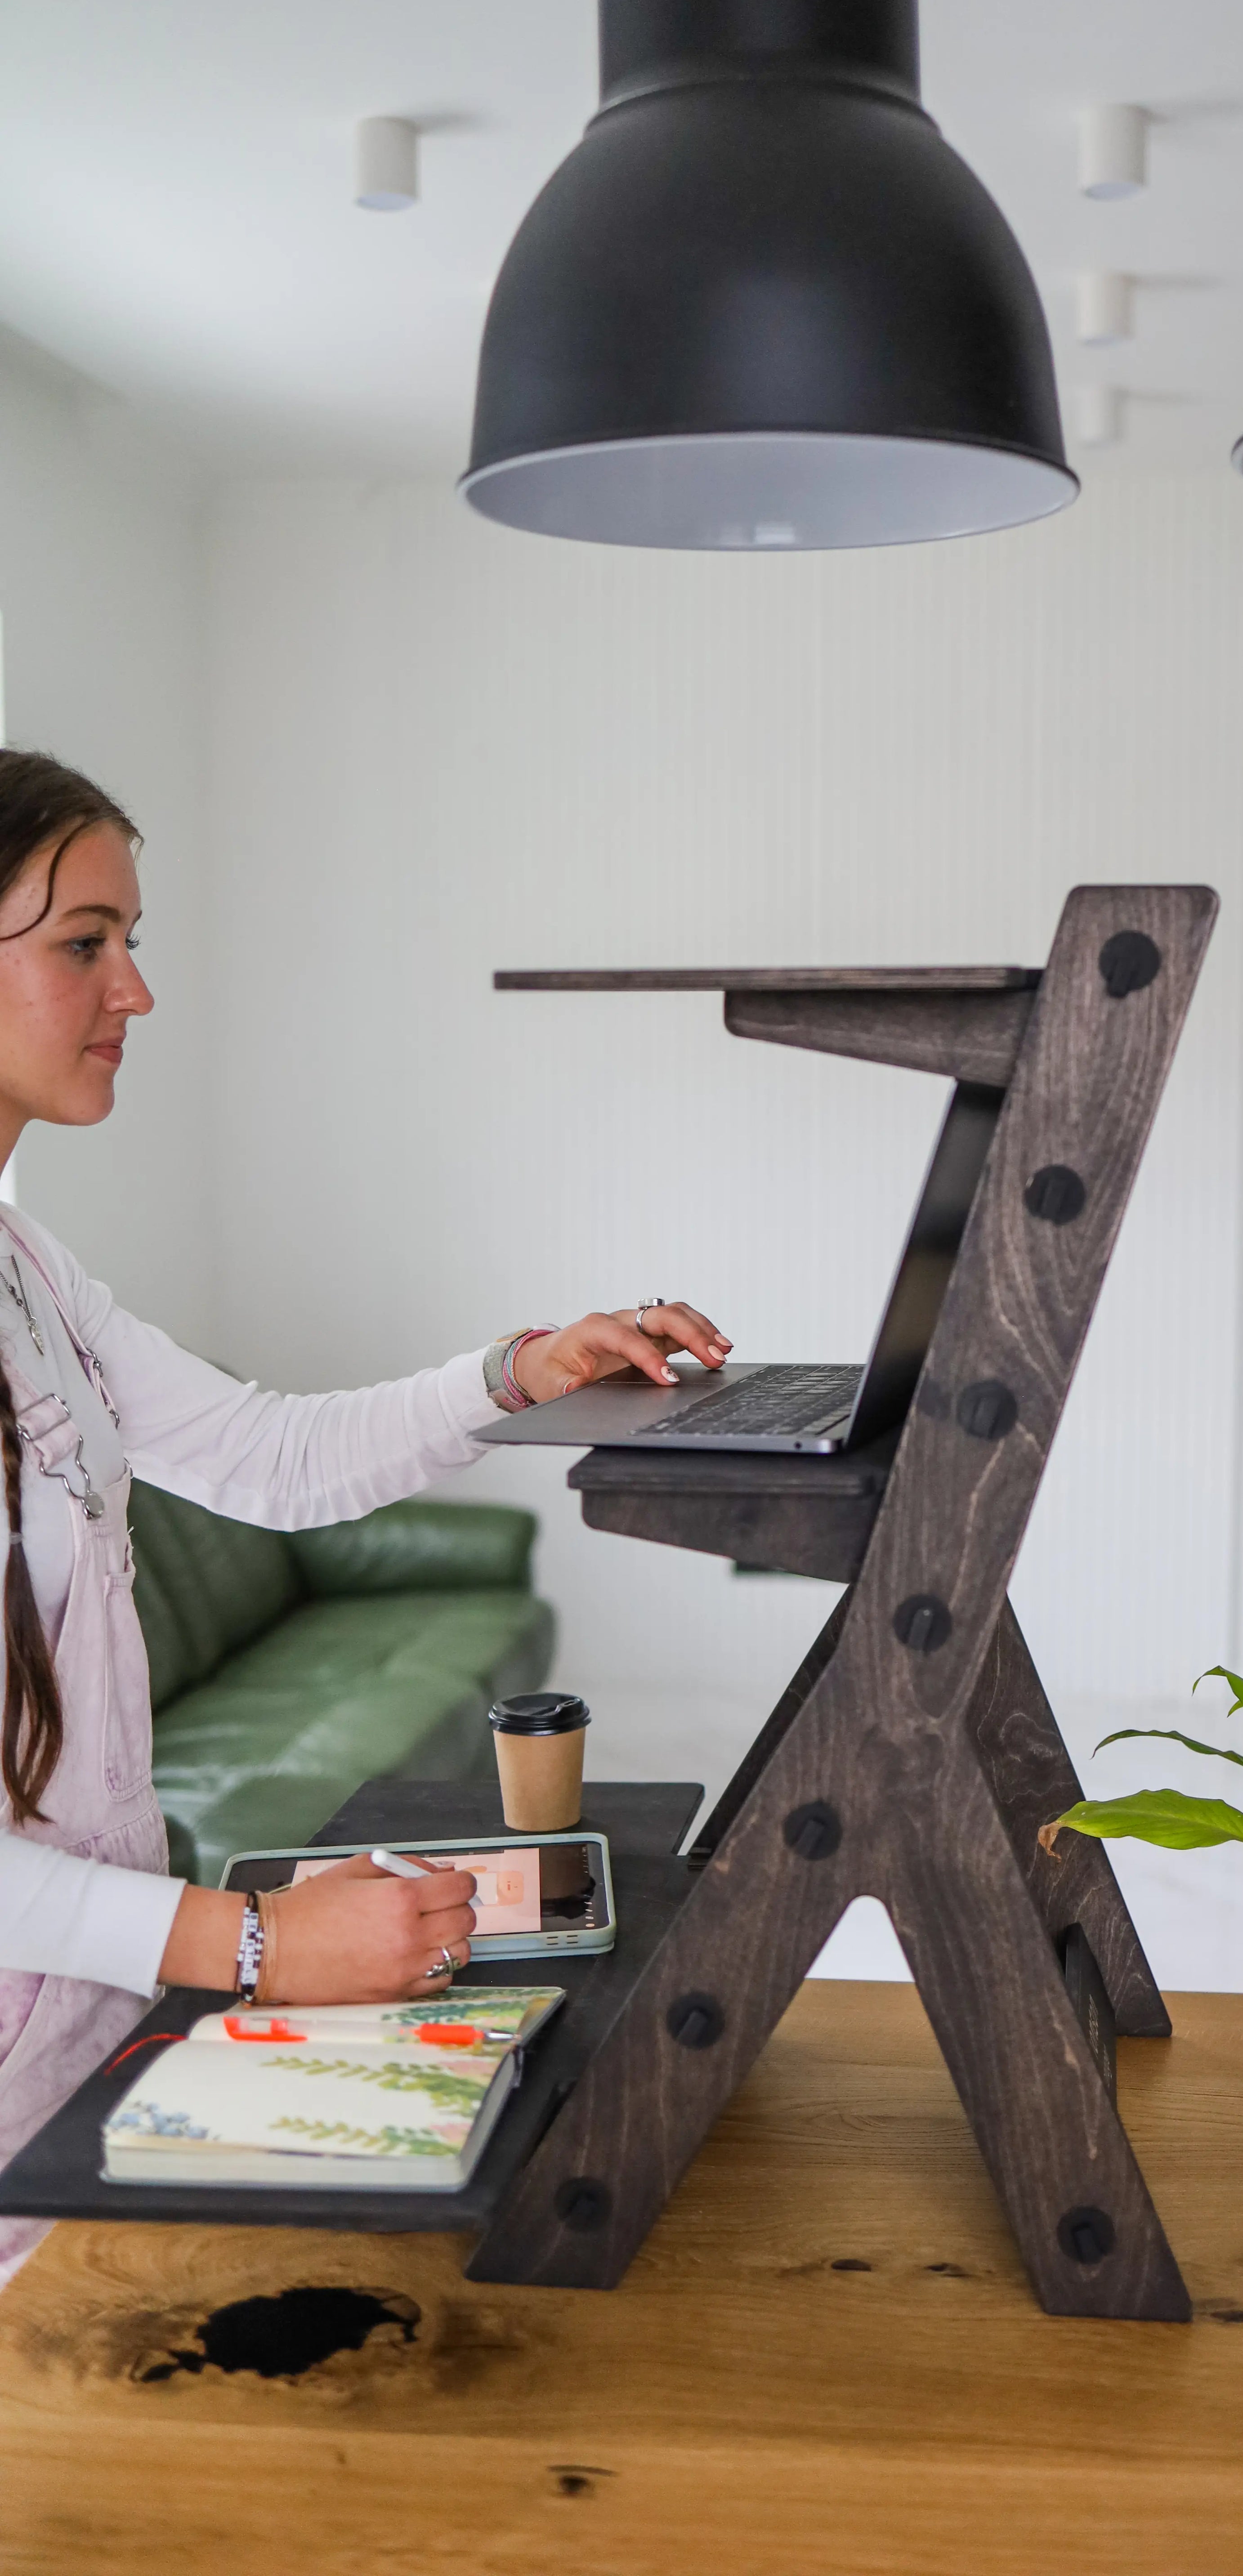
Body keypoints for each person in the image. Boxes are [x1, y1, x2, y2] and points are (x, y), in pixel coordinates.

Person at [0, 749, 729, 2280]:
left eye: (134, 942)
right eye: (85, 945)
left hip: (89, 2011)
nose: (136, 993)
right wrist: (253, 1946)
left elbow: (268, 1459)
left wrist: (521, 1371)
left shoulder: (27, 1268)